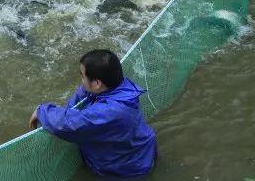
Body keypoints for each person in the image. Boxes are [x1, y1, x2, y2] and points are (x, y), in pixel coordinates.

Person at [28, 49, 158, 178]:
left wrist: (41, 111)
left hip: (126, 170)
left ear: (97, 83)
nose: (81, 80)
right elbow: (77, 102)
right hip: (139, 153)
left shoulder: (110, 112)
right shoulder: (119, 85)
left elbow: (69, 125)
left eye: (83, 76)